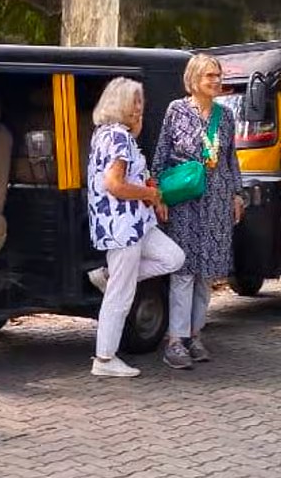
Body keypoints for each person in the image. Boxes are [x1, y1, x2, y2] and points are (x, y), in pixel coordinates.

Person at [86, 77, 184, 377]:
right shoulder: (118, 138)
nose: (139, 109)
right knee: (121, 294)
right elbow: (114, 185)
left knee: (173, 257)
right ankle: (104, 359)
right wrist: (150, 194)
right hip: (124, 223)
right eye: (134, 104)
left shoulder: (107, 134)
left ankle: (107, 276)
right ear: (119, 105)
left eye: (140, 103)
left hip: (134, 223)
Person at [152, 54, 244, 370]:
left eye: (218, 75)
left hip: (217, 202)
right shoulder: (176, 111)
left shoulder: (226, 116)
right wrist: (157, 194)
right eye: (210, 76)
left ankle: (195, 335)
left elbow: (232, 159)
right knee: (184, 271)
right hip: (186, 202)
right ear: (194, 79)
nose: (216, 81)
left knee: (206, 274)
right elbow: (162, 153)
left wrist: (237, 194)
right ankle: (175, 341)